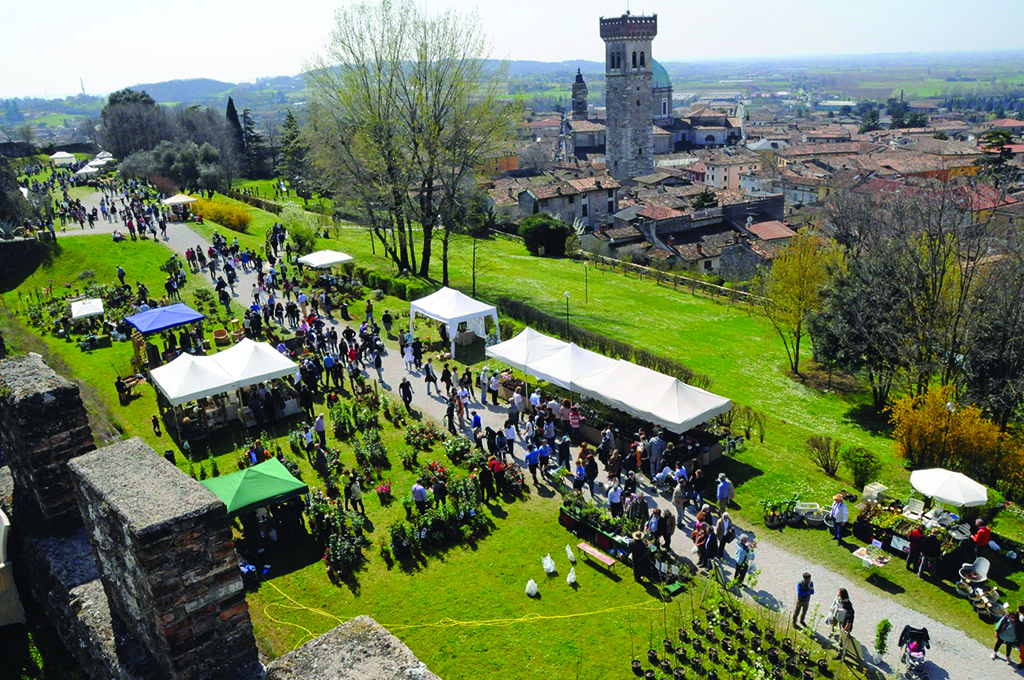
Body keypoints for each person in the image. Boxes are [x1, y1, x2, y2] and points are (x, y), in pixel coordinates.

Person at [833, 588, 855, 661]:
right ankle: (842, 651)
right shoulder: (850, 610)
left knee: (841, 642)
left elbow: (848, 625)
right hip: (845, 628)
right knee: (844, 641)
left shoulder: (849, 615)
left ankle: (840, 654)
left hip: (846, 630)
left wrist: (843, 630)